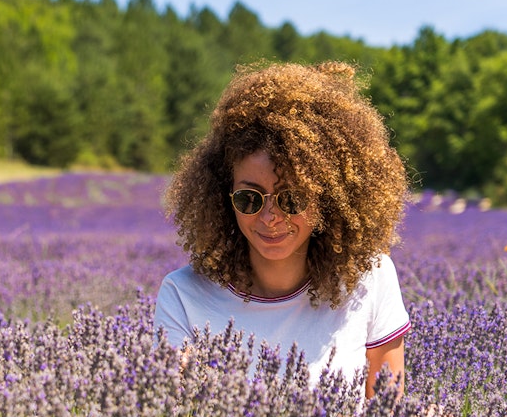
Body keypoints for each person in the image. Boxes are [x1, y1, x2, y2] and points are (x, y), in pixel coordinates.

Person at [154, 61, 410, 397]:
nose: (271, 217)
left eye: (293, 198)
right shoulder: (183, 295)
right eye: (250, 198)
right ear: (223, 196)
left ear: (327, 198)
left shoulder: (370, 278)